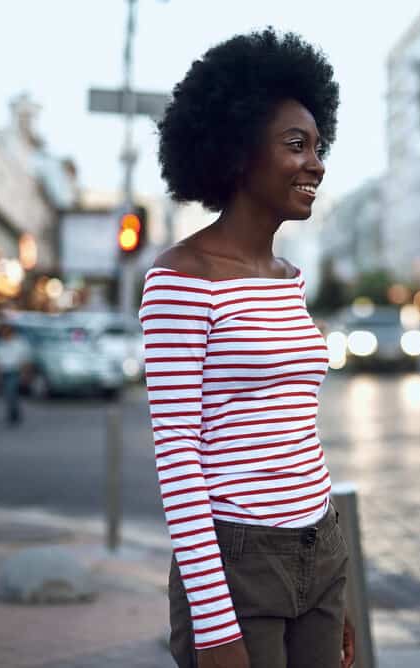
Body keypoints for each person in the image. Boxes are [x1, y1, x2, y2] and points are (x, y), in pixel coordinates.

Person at [140, 29, 353, 668]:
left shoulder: (288, 278)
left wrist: (336, 589)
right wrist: (215, 628)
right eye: (296, 145)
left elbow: (294, 429)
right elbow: (178, 460)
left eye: (319, 146)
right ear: (237, 152)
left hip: (322, 549)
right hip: (238, 565)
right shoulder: (182, 278)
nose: (315, 162)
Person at [0, 322, 30, 426]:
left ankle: (13, 416)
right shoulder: (0, 343)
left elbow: (24, 359)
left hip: (15, 371)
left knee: (11, 393)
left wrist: (25, 373)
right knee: (9, 395)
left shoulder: (19, 342)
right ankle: (14, 414)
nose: (3, 333)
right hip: (5, 371)